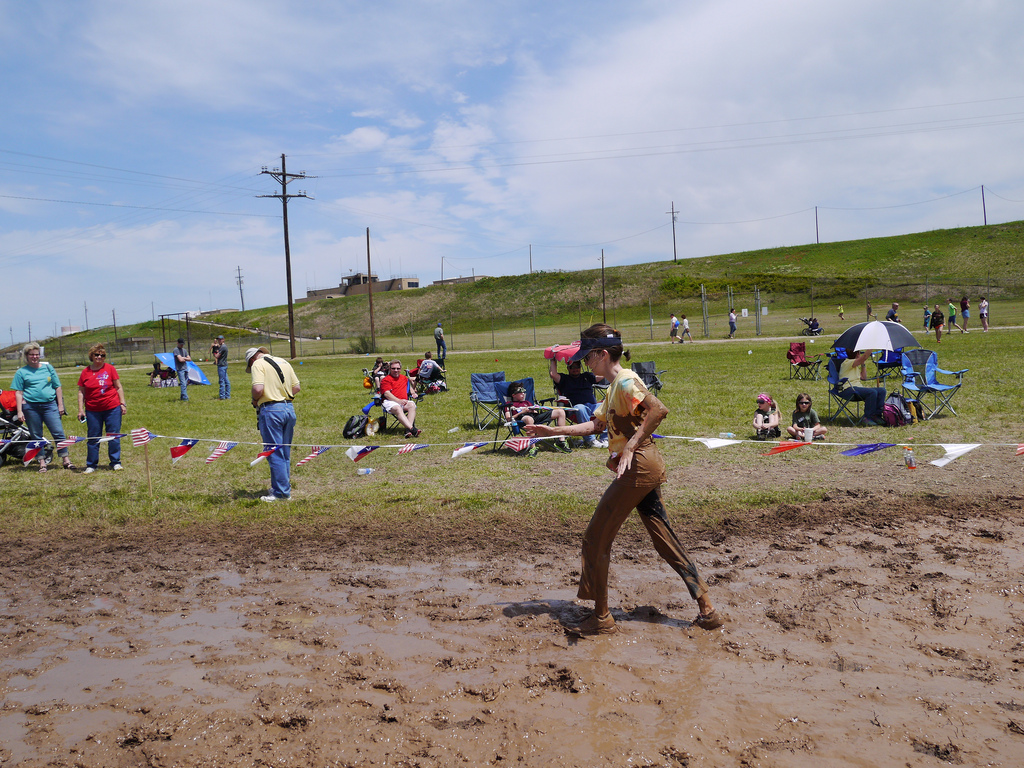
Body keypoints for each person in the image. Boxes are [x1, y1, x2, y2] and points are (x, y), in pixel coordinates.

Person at [523, 324, 723, 635]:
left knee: (595, 538)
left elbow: (658, 410)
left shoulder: (627, 381)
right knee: (664, 538)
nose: (585, 363)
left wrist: (631, 443)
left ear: (602, 354)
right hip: (643, 466)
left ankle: (602, 618)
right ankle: (707, 609)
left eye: (588, 357)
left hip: (638, 467)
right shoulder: (614, 386)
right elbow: (596, 425)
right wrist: (554, 430)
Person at [246, 346, 300, 502]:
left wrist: (255, 400)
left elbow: (257, 388)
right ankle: (283, 487)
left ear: (251, 360)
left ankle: (281, 493)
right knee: (284, 452)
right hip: (288, 408)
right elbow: (296, 387)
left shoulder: (257, 364)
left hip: (271, 410)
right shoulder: (283, 361)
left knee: (274, 451)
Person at [11, 342, 74, 471]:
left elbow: (58, 386)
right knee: (36, 435)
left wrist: (60, 405)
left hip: (50, 405)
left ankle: (65, 459)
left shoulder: (48, 368)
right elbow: (18, 392)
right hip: (31, 408)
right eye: (32, 355)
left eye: (37, 354)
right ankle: (41, 462)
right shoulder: (21, 372)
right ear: (27, 356)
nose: (35, 357)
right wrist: (19, 411)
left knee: (58, 432)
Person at [76, 343, 127, 473]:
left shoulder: (110, 369)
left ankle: (115, 462)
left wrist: (122, 403)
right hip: (93, 410)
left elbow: (118, 387)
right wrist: (81, 409)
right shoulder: (85, 372)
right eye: (96, 355)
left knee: (113, 435)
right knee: (93, 437)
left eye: (102, 355)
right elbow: (81, 392)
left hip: (112, 407)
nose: (99, 357)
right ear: (91, 356)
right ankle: (91, 464)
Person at [549, 356, 602, 447]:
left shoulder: (587, 376)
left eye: (577, 367)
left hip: (593, 407)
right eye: (572, 367)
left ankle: (605, 439)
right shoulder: (564, 379)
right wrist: (553, 360)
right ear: (568, 368)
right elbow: (553, 374)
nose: (575, 369)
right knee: (580, 407)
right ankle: (591, 440)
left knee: (608, 405)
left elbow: (603, 375)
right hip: (575, 410)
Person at [507, 382, 571, 454]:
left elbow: (536, 413)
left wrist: (535, 410)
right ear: (514, 395)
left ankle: (561, 441)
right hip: (522, 418)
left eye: (524, 392)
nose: (523, 394)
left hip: (535, 416)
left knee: (560, 412)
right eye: (520, 392)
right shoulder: (509, 404)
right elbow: (508, 419)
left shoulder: (527, 402)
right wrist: (522, 412)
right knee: (529, 419)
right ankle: (533, 447)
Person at [838, 349, 886, 424]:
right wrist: (871, 347)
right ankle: (867, 417)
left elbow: (864, 377)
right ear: (857, 354)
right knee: (872, 392)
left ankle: (876, 415)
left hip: (857, 389)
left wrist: (862, 363)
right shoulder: (847, 363)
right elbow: (864, 357)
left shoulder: (854, 366)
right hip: (848, 390)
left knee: (882, 391)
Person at [380, 359, 421, 438]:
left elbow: (409, 387)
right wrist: (398, 401)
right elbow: (387, 394)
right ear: (389, 369)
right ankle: (412, 429)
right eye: (393, 368)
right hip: (390, 402)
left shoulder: (404, 378)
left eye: (398, 368)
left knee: (412, 405)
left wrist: (413, 393)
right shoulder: (386, 380)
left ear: (400, 369)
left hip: (403, 401)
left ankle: (408, 430)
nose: (396, 370)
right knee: (398, 408)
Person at [212, 335, 230, 399]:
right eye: (218, 339)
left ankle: (222, 396)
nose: (219, 341)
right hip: (224, 365)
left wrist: (215, 353)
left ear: (223, 340)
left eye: (220, 339)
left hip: (221, 365)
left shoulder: (223, 347)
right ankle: (227, 395)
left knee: (222, 381)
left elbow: (217, 356)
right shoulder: (223, 347)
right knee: (226, 381)